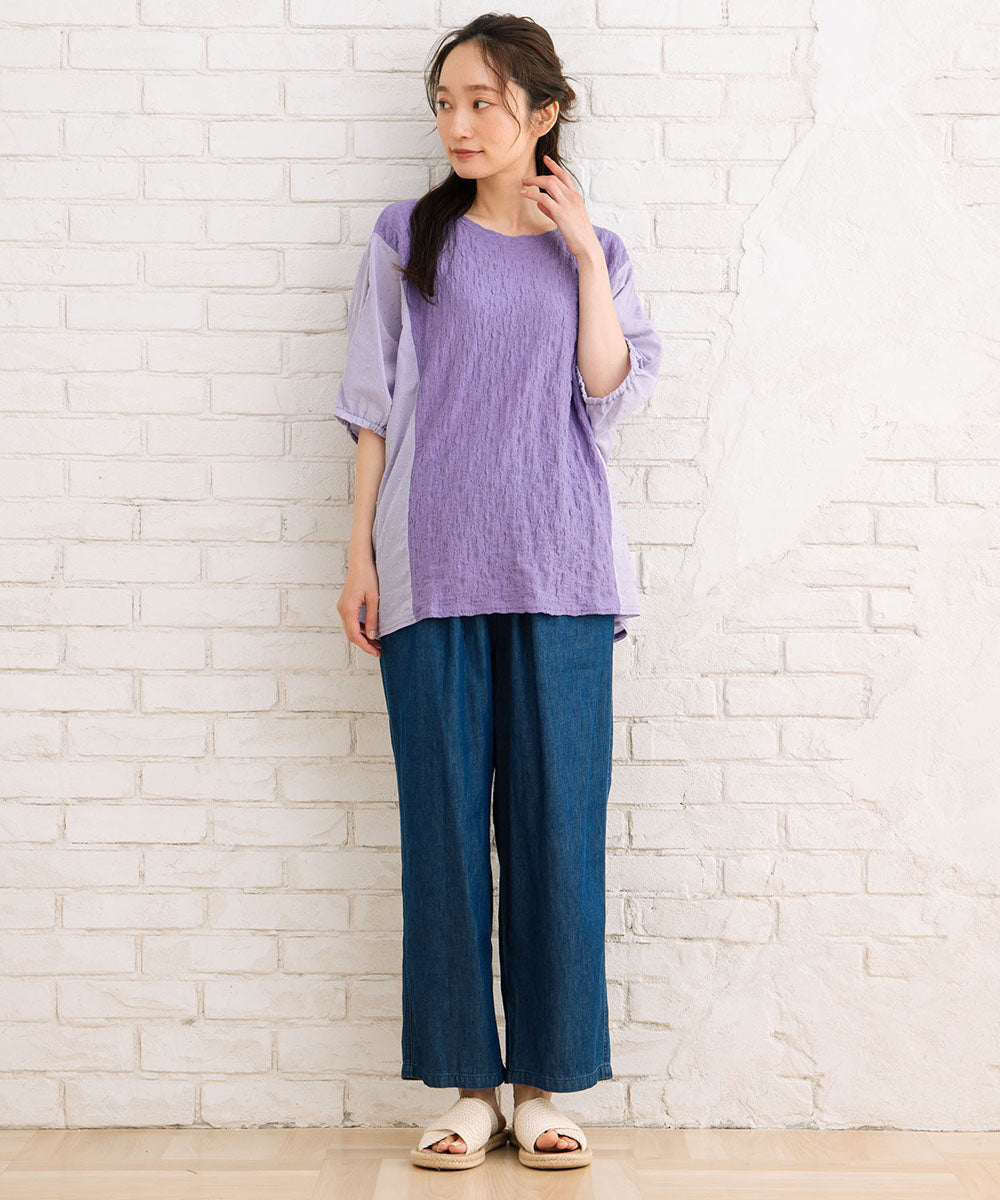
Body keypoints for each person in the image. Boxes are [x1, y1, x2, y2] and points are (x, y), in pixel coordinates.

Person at [334, 13, 662, 1173]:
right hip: (432, 567)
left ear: (543, 111)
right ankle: (470, 1089)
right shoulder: (407, 238)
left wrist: (581, 257)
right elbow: (370, 407)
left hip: (563, 572)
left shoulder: (597, 249)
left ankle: (542, 1087)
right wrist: (359, 554)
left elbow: (607, 392)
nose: (458, 123)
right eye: (445, 103)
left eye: (482, 101)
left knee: (556, 834)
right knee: (443, 834)